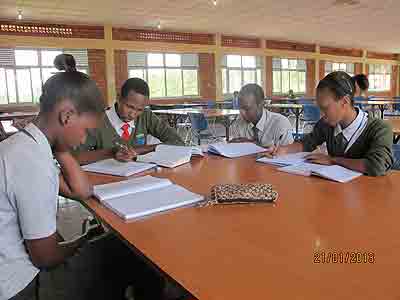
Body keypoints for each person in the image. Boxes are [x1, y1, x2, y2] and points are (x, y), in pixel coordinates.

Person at [0, 62, 164, 300]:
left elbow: (81, 190)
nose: (84, 139)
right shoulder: (31, 163)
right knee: (132, 255)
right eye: (86, 130)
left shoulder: (27, 146)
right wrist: (82, 242)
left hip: (18, 272)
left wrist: (62, 148)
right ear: (67, 116)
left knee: (113, 249)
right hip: (22, 286)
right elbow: (45, 257)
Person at [265, 71, 393, 176]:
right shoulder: (327, 124)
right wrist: (283, 149)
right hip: (335, 192)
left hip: (369, 196)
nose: (321, 115)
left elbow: (377, 165)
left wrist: (333, 160)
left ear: (344, 101)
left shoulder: (379, 128)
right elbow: (307, 143)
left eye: (325, 108)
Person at [75, 78, 184, 165]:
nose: (133, 114)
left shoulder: (146, 116)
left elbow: (178, 142)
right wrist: (111, 152)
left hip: (141, 180)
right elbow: (75, 158)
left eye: (139, 109)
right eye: (129, 107)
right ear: (118, 98)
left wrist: (139, 150)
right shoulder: (96, 121)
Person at [230, 83, 294, 147]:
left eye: (247, 108)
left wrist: (253, 146)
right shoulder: (237, 124)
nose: (241, 113)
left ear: (261, 104)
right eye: (240, 108)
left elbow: (289, 154)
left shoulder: (280, 123)